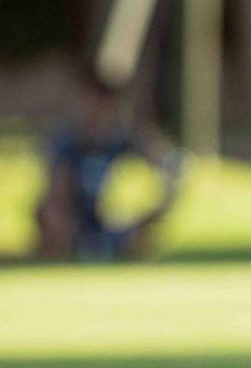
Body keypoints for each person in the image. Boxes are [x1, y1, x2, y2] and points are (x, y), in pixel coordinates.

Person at [35, 73, 181, 261]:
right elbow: (57, 190)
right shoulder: (68, 142)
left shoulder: (119, 138)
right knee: (53, 217)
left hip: (104, 223)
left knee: (139, 237)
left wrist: (155, 206)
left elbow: (166, 160)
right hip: (73, 220)